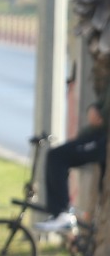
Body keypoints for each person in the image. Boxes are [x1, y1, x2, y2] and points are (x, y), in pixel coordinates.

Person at [35, 94, 108, 232]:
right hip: (98, 135)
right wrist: (95, 109)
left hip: (102, 139)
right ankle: (59, 213)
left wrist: (101, 114)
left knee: (57, 156)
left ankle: (62, 213)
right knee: (54, 155)